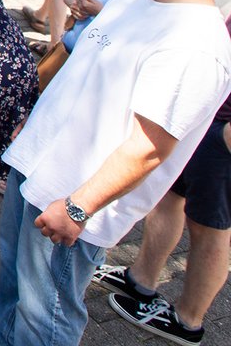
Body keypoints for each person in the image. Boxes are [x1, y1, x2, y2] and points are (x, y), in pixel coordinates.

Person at [0, 0, 231, 346]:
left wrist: (78, 207)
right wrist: (32, 120)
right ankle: (8, 337)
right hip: (37, 166)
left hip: (74, 197)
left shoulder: (195, 45)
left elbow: (148, 148)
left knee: (51, 307)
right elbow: (83, 71)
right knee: (17, 274)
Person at [93, 62, 231, 344]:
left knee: (211, 228)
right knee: (169, 197)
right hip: (206, 115)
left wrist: (225, 136)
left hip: (222, 134)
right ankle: (141, 280)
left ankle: (187, 322)